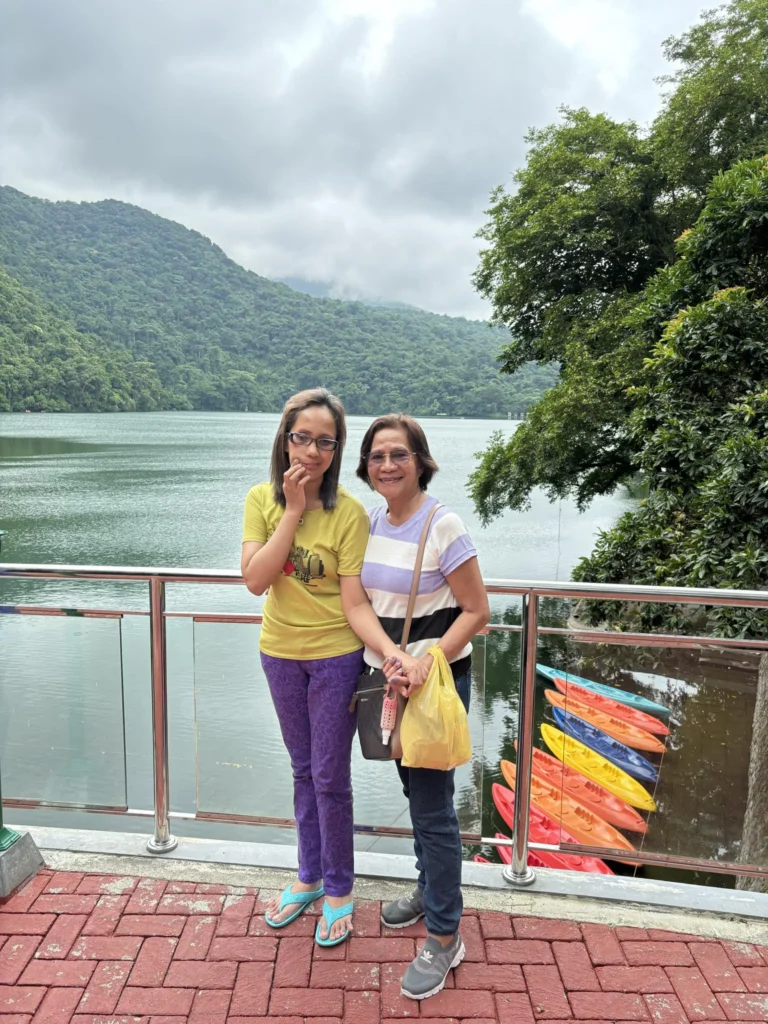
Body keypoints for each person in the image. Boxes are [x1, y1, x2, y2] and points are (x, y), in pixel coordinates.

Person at [342, 414, 490, 999]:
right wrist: (390, 656)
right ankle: (431, 891)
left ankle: (447, 935)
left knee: (433, 807)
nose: (387, 465)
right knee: (414, 791)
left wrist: (427, 661)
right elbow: (360, 604)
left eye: (399, 455)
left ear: (421, 460)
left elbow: (477, 609)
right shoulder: (371, 520)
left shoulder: (442, 523)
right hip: (388, 678)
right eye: (377, 456)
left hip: (434, 683)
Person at [241, 388, 369, 947]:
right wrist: (292, 510)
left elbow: (355, 602)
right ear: (284, 438)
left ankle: (339, 887)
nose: (311, 451)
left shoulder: (350, 514)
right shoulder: (260, 501)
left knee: (329, 776)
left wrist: (385, 653)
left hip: (337, 656)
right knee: (301, 770)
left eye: (324, 441)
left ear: (336, 449)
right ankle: (308, 877)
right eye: (302, 438)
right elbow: (255, 580)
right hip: (280, 653)